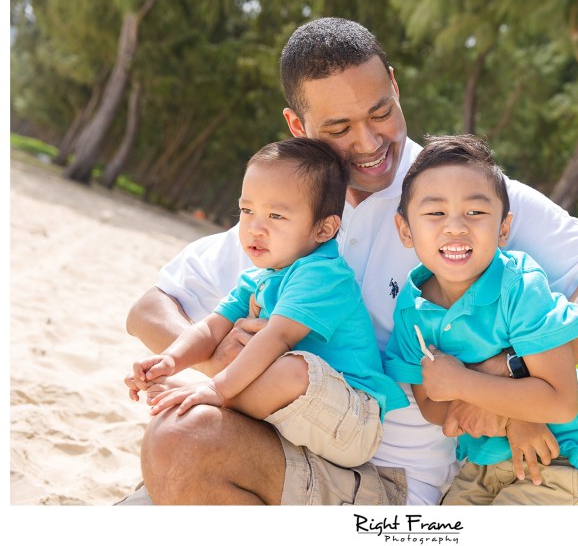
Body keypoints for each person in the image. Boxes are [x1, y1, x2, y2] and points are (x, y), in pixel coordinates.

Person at [122, 17, 578, 505]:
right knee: (175, 442)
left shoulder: (463, 197)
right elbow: (152, 307)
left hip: (396, 484)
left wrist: (502, 380)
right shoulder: (295, 209)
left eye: (381, 113)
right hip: (283, 444)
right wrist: (225, 359)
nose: (369, 143)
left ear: (396, 88)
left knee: (181, 445)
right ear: (297, 126)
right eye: (339, 129)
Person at [126, 138, 408, 469]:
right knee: (276, 367)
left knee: (293, 368)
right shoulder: (258, 278)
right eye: (247, 211)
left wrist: (217, 388)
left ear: (324, 228)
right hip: (293, 412)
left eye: (276, 215)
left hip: (352, 421)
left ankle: (215, 398)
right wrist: (171, 360)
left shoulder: (323, 274)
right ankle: (208, 393)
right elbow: (211, 329)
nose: (255, 228)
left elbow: (276, 337)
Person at [384, 135, 578, 505]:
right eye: (435, 213)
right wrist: (509, 418)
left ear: (503, 229)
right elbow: (432, 405)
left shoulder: (519, 286)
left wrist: (462, 382)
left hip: (557, 451)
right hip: (482, 461)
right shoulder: (411, 308)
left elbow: (560, 402)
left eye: (475, 212)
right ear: (405, 230)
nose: (455, 227)